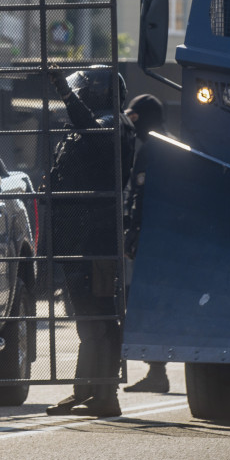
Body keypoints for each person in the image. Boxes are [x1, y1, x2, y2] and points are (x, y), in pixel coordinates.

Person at [43, 66, 134, 418]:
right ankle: (85, 390)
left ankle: (104, 393)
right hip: (77, 238)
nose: (77, 98)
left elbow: (92, 133)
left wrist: (64, 90)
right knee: (87, 317)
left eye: (82, 93)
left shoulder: (115, 125)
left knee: (99, 316)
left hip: (95, 239)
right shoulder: (98, 124)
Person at [120, 93, 171, 395]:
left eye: (136, 118)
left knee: (149, 303)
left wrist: (133, 231)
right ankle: (157, 369)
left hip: (153, 237)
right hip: (170, 237)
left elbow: (141, 196)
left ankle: (157, 372)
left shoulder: (151, 150)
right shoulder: (172, 143)